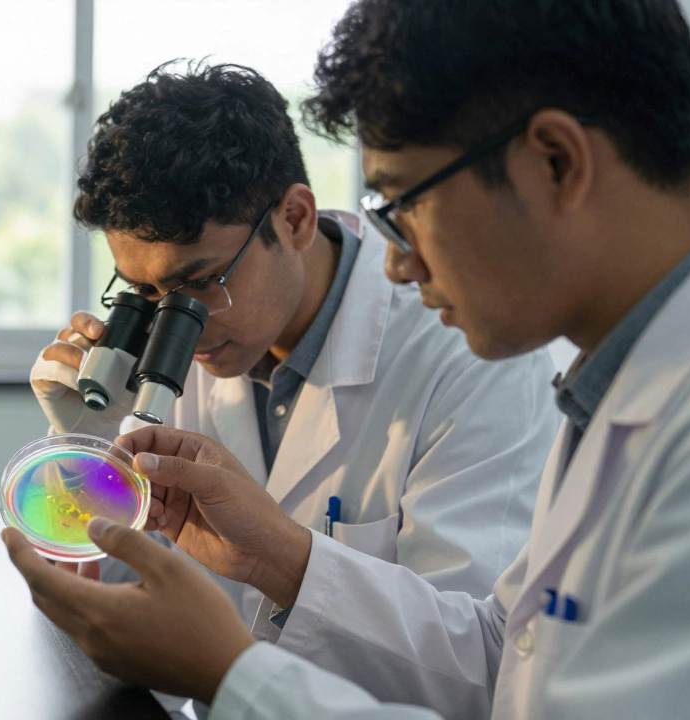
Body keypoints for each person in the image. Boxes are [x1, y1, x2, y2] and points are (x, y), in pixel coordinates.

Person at [5, 0, 690, 717]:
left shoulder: (671, 421)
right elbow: (501, 657)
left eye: (405, 201)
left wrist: (236, 675)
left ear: (554, 162)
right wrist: (97, 457)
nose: (399, 264)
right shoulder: (621, 392)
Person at [30, 62, 558, 624]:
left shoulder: (469, 361)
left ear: (295, 219)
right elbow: (111, 603)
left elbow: (471, 656)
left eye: (202, 283)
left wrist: (287, 562)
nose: (177, 325)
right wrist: (88, 447)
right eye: (145, 291)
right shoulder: (178, 354)